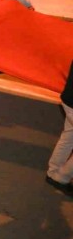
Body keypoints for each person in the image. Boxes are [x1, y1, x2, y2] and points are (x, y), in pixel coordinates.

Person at [46, 59, 73, 197]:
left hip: (69, 100)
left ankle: (53, 172)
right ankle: (61, 177)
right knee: (69, 136)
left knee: (69, 136)